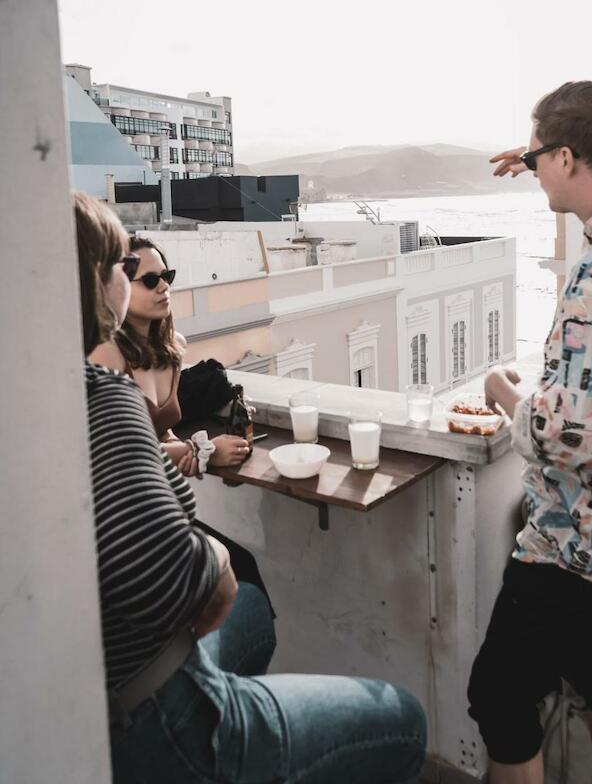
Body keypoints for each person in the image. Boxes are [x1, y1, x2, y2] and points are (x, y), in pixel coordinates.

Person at [74, 191, 427, 784]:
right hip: (156, 713)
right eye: (125, 268)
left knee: (256, 611)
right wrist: (201, 495)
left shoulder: (60, 382)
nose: (155, 285)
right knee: (404, 720)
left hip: (107, 697)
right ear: (95, 283)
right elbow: (191, 587)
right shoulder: (101, 389)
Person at [468, 81, 592, 784]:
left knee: (495, 695)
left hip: (570, 543)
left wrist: (504, 395)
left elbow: (569, 431)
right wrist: (533, 157)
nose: (532, 168)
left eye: (540, 156)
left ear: (567, 156)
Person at [90, 235, 248, 474]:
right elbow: (116, 451)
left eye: (167, 276)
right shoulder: (106, 353)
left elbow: (161, 432)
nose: (164, 286)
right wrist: (202, 451)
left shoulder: (173, 348)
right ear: (118, 287)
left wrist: (181, 451)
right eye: (150, 280)